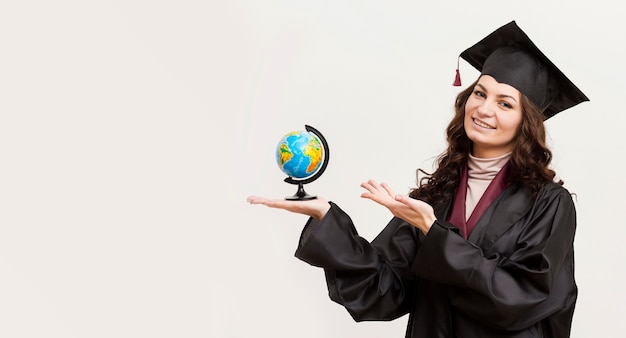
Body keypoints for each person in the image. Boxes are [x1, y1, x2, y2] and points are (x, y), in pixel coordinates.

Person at [247, 21, 588, 338]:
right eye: (480, 94)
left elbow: (519, 298)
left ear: (525, 122)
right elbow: (384, 292)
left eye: (505, 103)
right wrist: (326, 219)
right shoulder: (436, 197)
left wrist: (434, 233)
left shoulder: (549, 203)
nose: (484, 109)